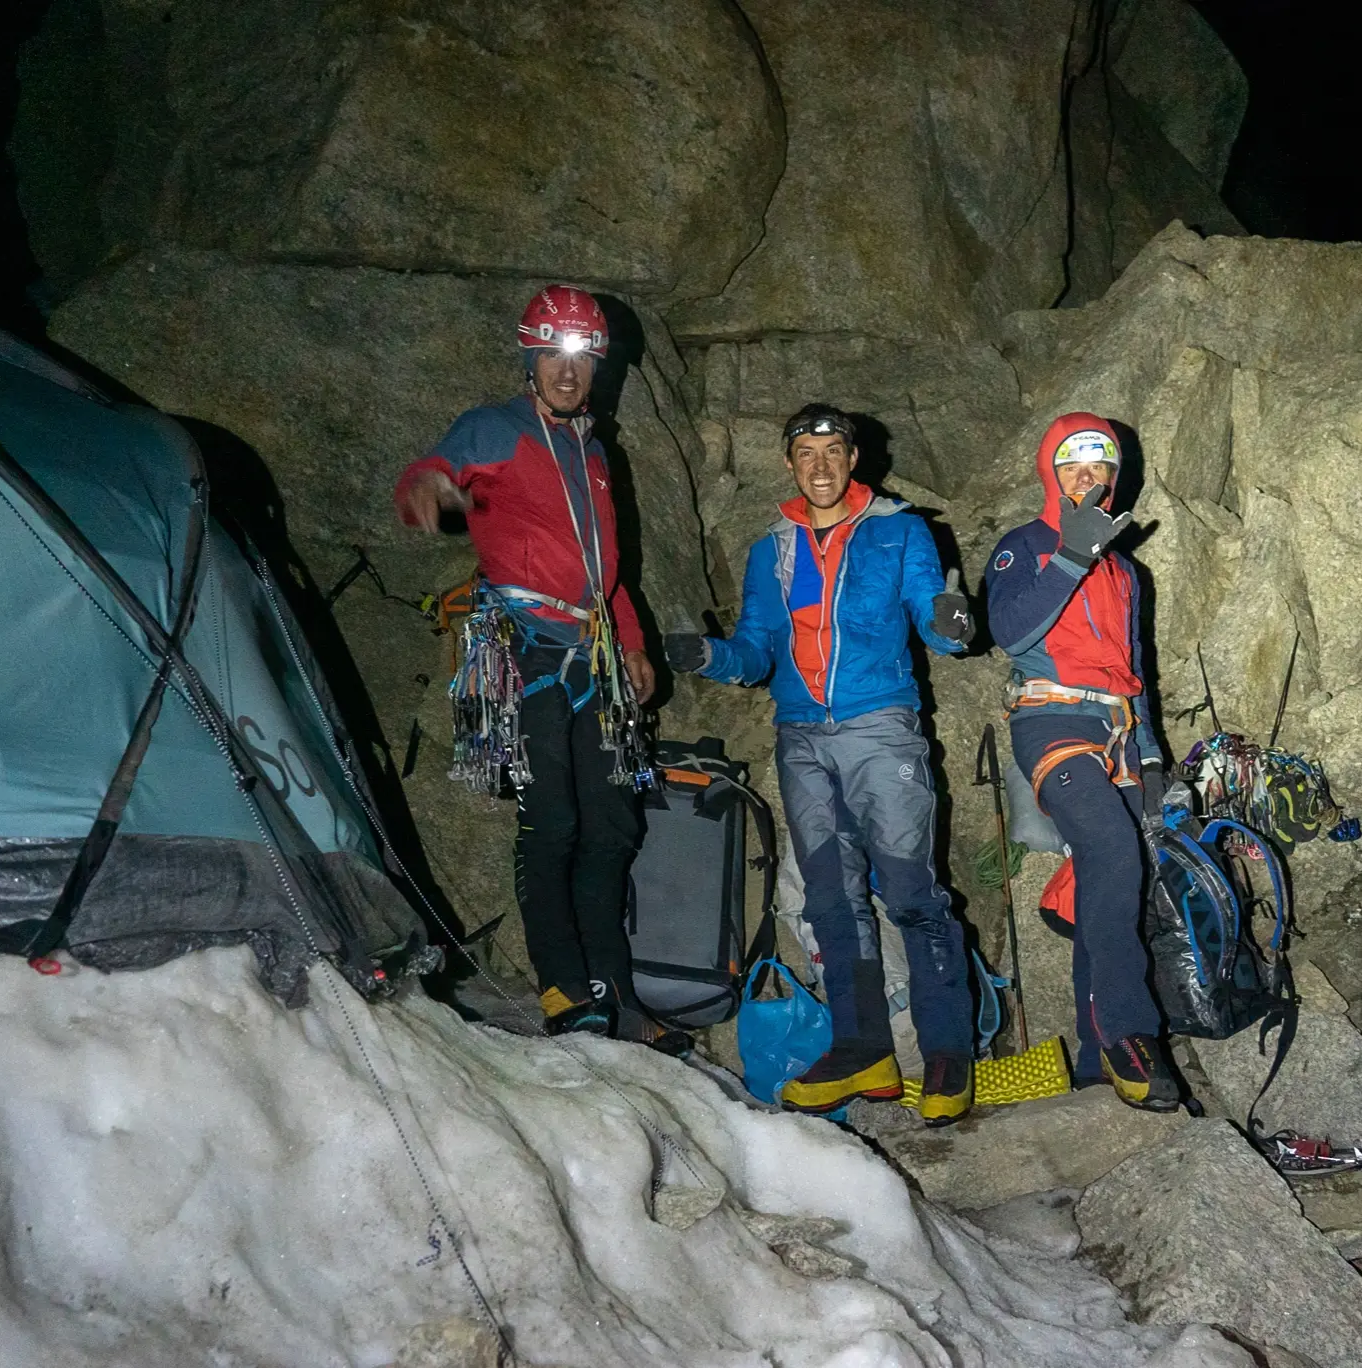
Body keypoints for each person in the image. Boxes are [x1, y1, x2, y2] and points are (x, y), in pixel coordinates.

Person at [663, 404, 979, 1125]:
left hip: (880, 729)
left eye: (834, 450)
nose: (821, 465)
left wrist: (953, 623)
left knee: (910, 893)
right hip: (801, 736)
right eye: (807, 452)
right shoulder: (770, 548)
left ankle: (947, 1051)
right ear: (789, 464)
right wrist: (711, 656)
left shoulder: (900, 530)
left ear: (855, 457)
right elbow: (756, 649)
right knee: (832, 899)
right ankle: (863, 1047)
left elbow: (935, 614)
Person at [394, 285, 664, 1044]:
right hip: (523, 645)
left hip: (597, 649)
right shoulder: (496, 428)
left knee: (610, 825)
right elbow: (431, 471)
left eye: (580, 358)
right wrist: (430, 492)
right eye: (551, 356)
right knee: (552, 823)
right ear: (529, 359)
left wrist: (634, 640)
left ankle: (618, 992)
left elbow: (607, 569)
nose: (567, 372)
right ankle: (560, 988)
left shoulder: (596, 452)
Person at [984, 411, 1181, 1110]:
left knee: (1113, 873)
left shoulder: (1127, 570)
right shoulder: (1024, 546)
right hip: (1051, 720)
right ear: (1050, 472)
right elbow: (1007, 630)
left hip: (1121, 731)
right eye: (1072, 465)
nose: (1087, 477)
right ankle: (1132, 1035)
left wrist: (1153, 758)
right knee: (1109, 847)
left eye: (1099, 466)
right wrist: (1070, 555)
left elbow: (1136, 669)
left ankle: (1099, 1060)